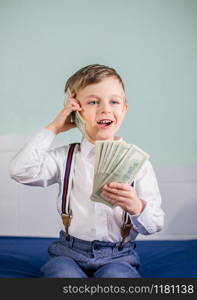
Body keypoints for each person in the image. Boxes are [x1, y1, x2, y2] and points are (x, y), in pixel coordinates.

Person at [9, 64, 165, 278]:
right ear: (75, 111)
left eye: (114, 101)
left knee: (118, 278)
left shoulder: (139, 165)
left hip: (119, 256)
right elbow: (20, 170)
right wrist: (54, 127)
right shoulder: (65, 157)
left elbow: (154, 224)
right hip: (69, 253)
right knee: (62, 276)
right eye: (93, 102)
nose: (105, 109)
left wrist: (136, 206)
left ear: (124, 109)